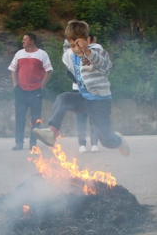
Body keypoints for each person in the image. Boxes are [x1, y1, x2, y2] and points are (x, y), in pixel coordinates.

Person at [33, 20, 129, 156]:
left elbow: (104, 64)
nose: (76, 49)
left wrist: (87, 51)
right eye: (73, 46)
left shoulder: (97, 50)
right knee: (63, 98)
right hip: (84, 99)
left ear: (88, 40)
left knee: (106, 140)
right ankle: (52, 131)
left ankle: (117, 140)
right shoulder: (70, 55)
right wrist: (71, 30)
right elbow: (66, 48)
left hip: (100, 102)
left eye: (79, 45)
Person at [8, 33, 53, 151]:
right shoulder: (19, 54)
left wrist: (41, 86)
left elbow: (48, 71)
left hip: (35, 91)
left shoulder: (42, 54)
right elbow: (13, 70)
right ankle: (19, 143)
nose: (22, 41)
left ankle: (33, 144)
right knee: (19, 117)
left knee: (35, 119)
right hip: (21, 91)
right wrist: (15, 86)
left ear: (32, 41)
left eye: (25, 39)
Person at [64, 35, 100, 154]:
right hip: (79, 90)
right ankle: (82, 144)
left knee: (94, 117)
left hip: (94, 90)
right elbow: (69, 72)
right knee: (81, 117)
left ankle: (94, 143)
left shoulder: (94, 54)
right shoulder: (75, 54)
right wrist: (79, 80)